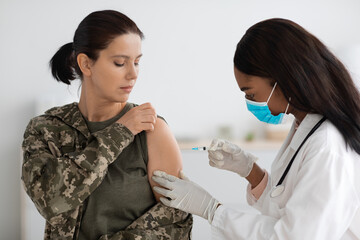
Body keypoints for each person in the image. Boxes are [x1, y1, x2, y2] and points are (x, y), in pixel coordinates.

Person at [152, 18, 360, 239]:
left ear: (283, 79)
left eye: (250, 94)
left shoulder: (326, 145)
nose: (250, 103)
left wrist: (212, 209)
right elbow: (286, 205)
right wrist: (250, 171)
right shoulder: (305, 126)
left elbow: (293, 235)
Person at [21, 10, 192, 240]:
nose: (133, 74)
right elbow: (50, 201)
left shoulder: (152, 130)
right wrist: (119, 133)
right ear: (86, 64)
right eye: (120, 63)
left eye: (137, 62)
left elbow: (176, 225)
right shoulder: (45, 129)